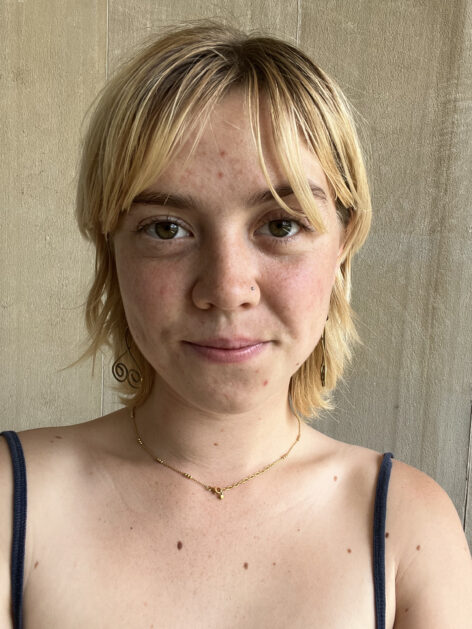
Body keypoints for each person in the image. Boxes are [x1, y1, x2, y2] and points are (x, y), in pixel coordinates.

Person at [1, 20, 471, 629]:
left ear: (343, 245)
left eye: (280, 225)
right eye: (167, 228)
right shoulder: (12, 504)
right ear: (110, 249)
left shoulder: (408, 529)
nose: (226, 289)